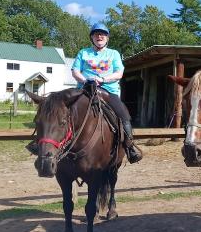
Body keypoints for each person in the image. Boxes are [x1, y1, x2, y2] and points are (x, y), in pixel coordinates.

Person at [26, 23, 142, 164]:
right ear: (92, 37)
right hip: (83, 89)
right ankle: (41, 143)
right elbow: (75, 71)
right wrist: (85, 81)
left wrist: (102, 79)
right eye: (96, 34)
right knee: (58, 108)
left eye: (103, 34)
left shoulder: (114, 54)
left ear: (107, 38)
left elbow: (119, 73)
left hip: (108, 90)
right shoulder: (83, 53)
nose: (99, 36)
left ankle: (130, 147)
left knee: (123, 113)